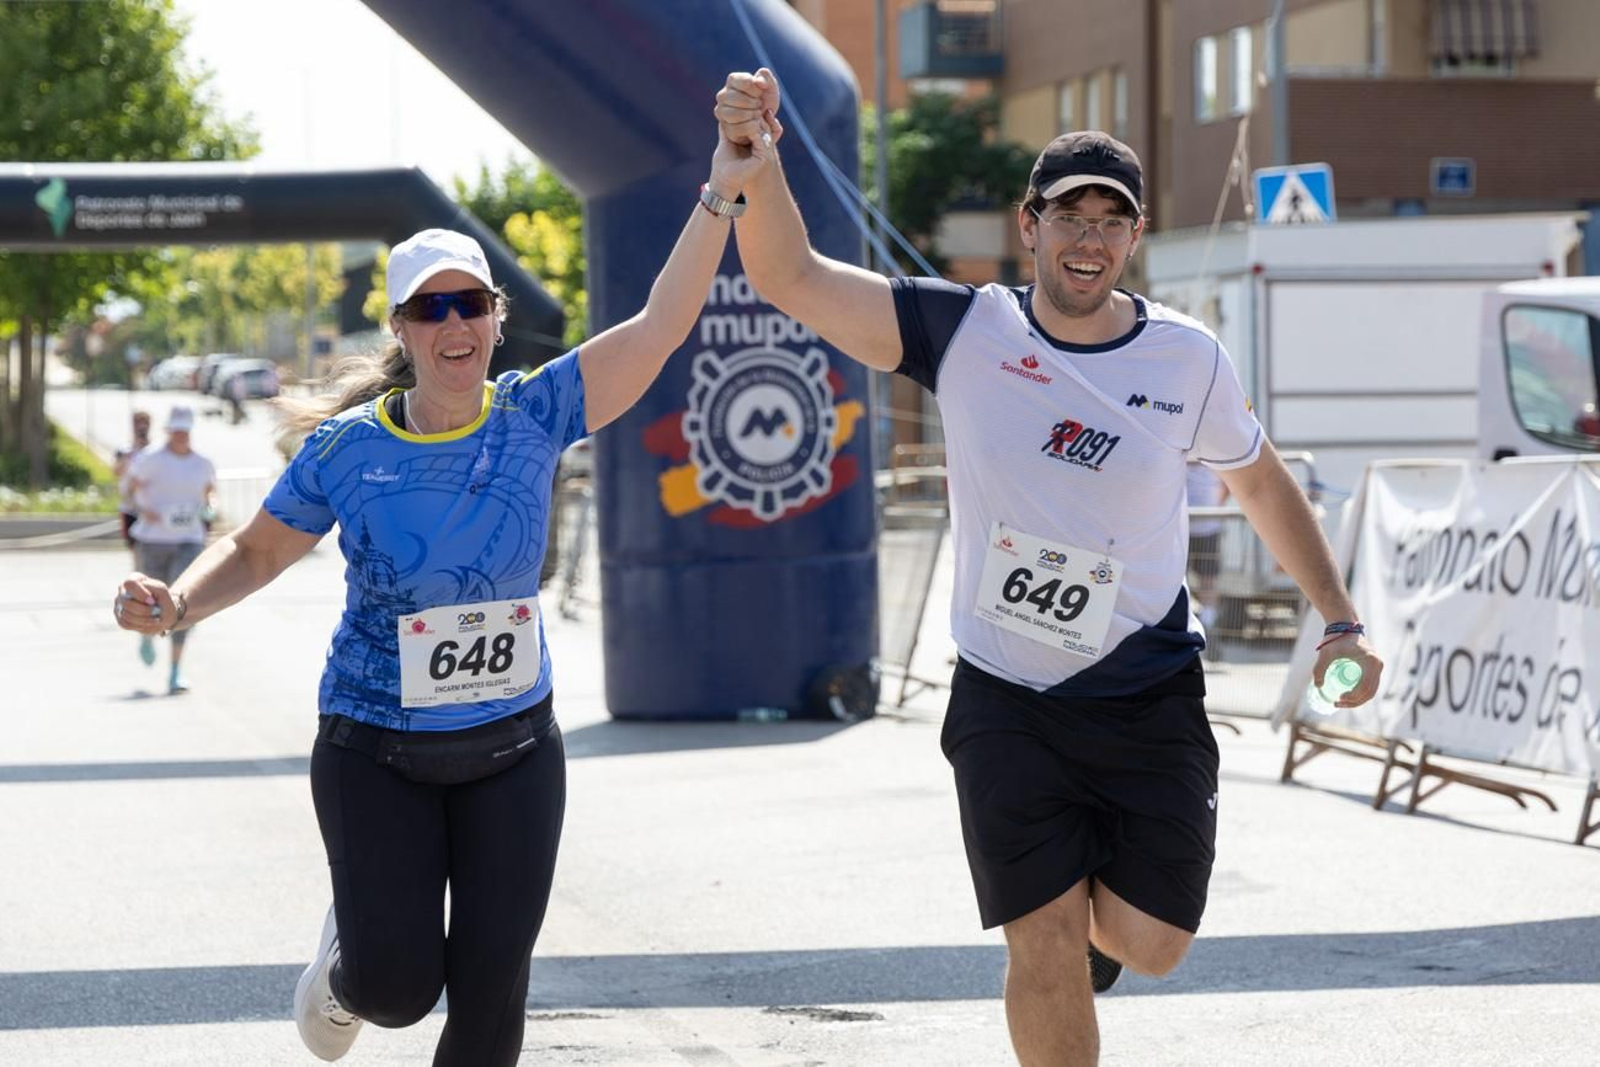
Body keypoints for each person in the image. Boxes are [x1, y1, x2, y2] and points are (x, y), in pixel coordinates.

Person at [715, 69, 1383, 1065]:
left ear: (1133, 238)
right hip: (1007, 696)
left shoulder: (1185, 360)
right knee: (1043, 942)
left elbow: (1257, 480)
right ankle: (1064, 929)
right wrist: (753, 161)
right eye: (1069, 213)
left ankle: (1093, 927)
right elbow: (792, 277)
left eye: (1110, 221)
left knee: (1150, 945)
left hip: (1146, 690)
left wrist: (1338, 616)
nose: (1088, 238)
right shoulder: (964, 331)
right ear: (1029, 226)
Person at [112, 126, 772, 1065]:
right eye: (431, 311)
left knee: (492, 999)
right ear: (401, 330)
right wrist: (175, 604)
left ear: (496, 317)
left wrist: (720, 194)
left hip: (513, 749)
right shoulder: (347, 450)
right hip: (374, 749)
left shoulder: (538, 412)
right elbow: (256, 552)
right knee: (396, 989)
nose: (454, 326)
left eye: (470, 305)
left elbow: (663, 323)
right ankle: (345, 965)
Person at [123, 404, 215, 691]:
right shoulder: (150, 459)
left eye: (184, 431)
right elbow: (130, 488)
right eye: (176, 431)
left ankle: (175, 669)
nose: (180, 436)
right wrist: (144, 508)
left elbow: (210, 493)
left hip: (189, 539)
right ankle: (146, 635)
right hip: (153, 540)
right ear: (168, 430)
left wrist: (211, 509)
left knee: (181, 602)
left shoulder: (202, 463)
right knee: (150, 601)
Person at [113, 409, 152, 563]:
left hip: (149, 506)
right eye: (137, 423)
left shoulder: (155, 451)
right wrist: (129, 457)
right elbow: (116, 471)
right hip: (130, 505)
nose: (141, 427)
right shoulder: (124, 450)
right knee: (133, 547)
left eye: (144, 423)